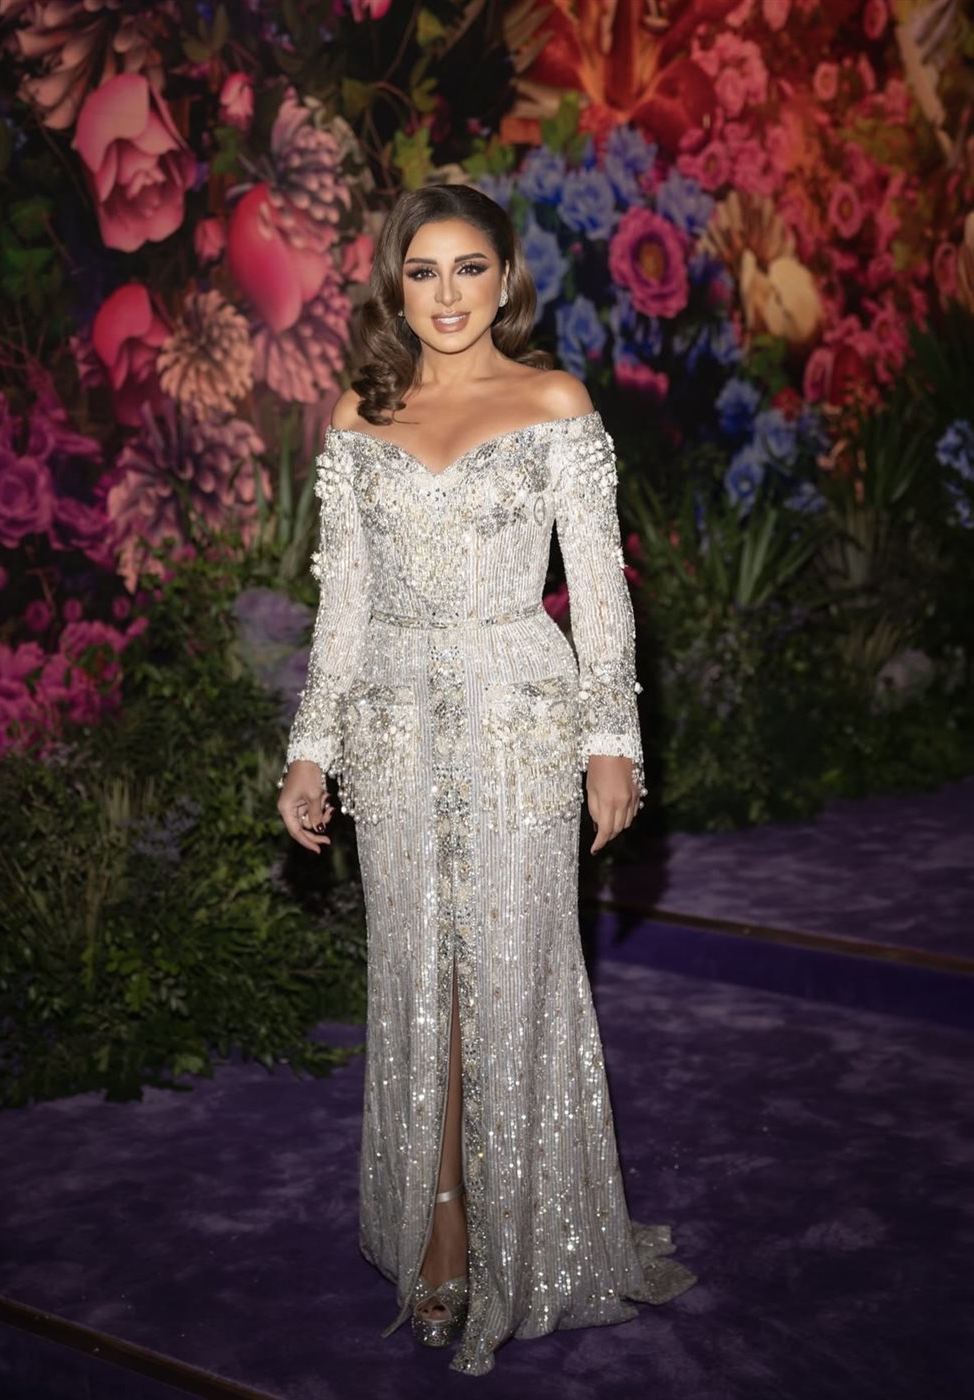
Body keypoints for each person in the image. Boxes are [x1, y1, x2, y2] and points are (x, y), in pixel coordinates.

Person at [276, 183, 697, 1376]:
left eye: (469, 267)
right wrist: (310, 747)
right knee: (419, 976)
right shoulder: (358, 415)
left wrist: (609, 740)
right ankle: (438, 1224)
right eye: (423, 270)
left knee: (506, 971)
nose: (447, 293)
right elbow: (341, 604)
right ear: (393, 285)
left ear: (506, 277)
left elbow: (601, 594)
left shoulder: (553, 401)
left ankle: (507, 1233)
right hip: (394, 725)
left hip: (521, 715)